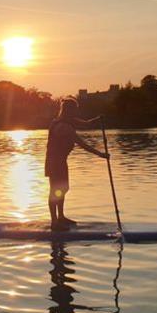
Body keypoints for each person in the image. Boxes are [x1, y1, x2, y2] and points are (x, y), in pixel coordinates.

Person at [45, 97, 108, 231]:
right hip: (54, 162)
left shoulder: (68, 121)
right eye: (74, 110)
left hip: (61, 161)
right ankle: (54, 222)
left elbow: (86, 124)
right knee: (56, 190)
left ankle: (61, 217)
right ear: (69, 110)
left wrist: (98, 119)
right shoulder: (63, 126)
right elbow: (82, 144)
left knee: (63, 188)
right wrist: (100, 154)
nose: (76, 112)